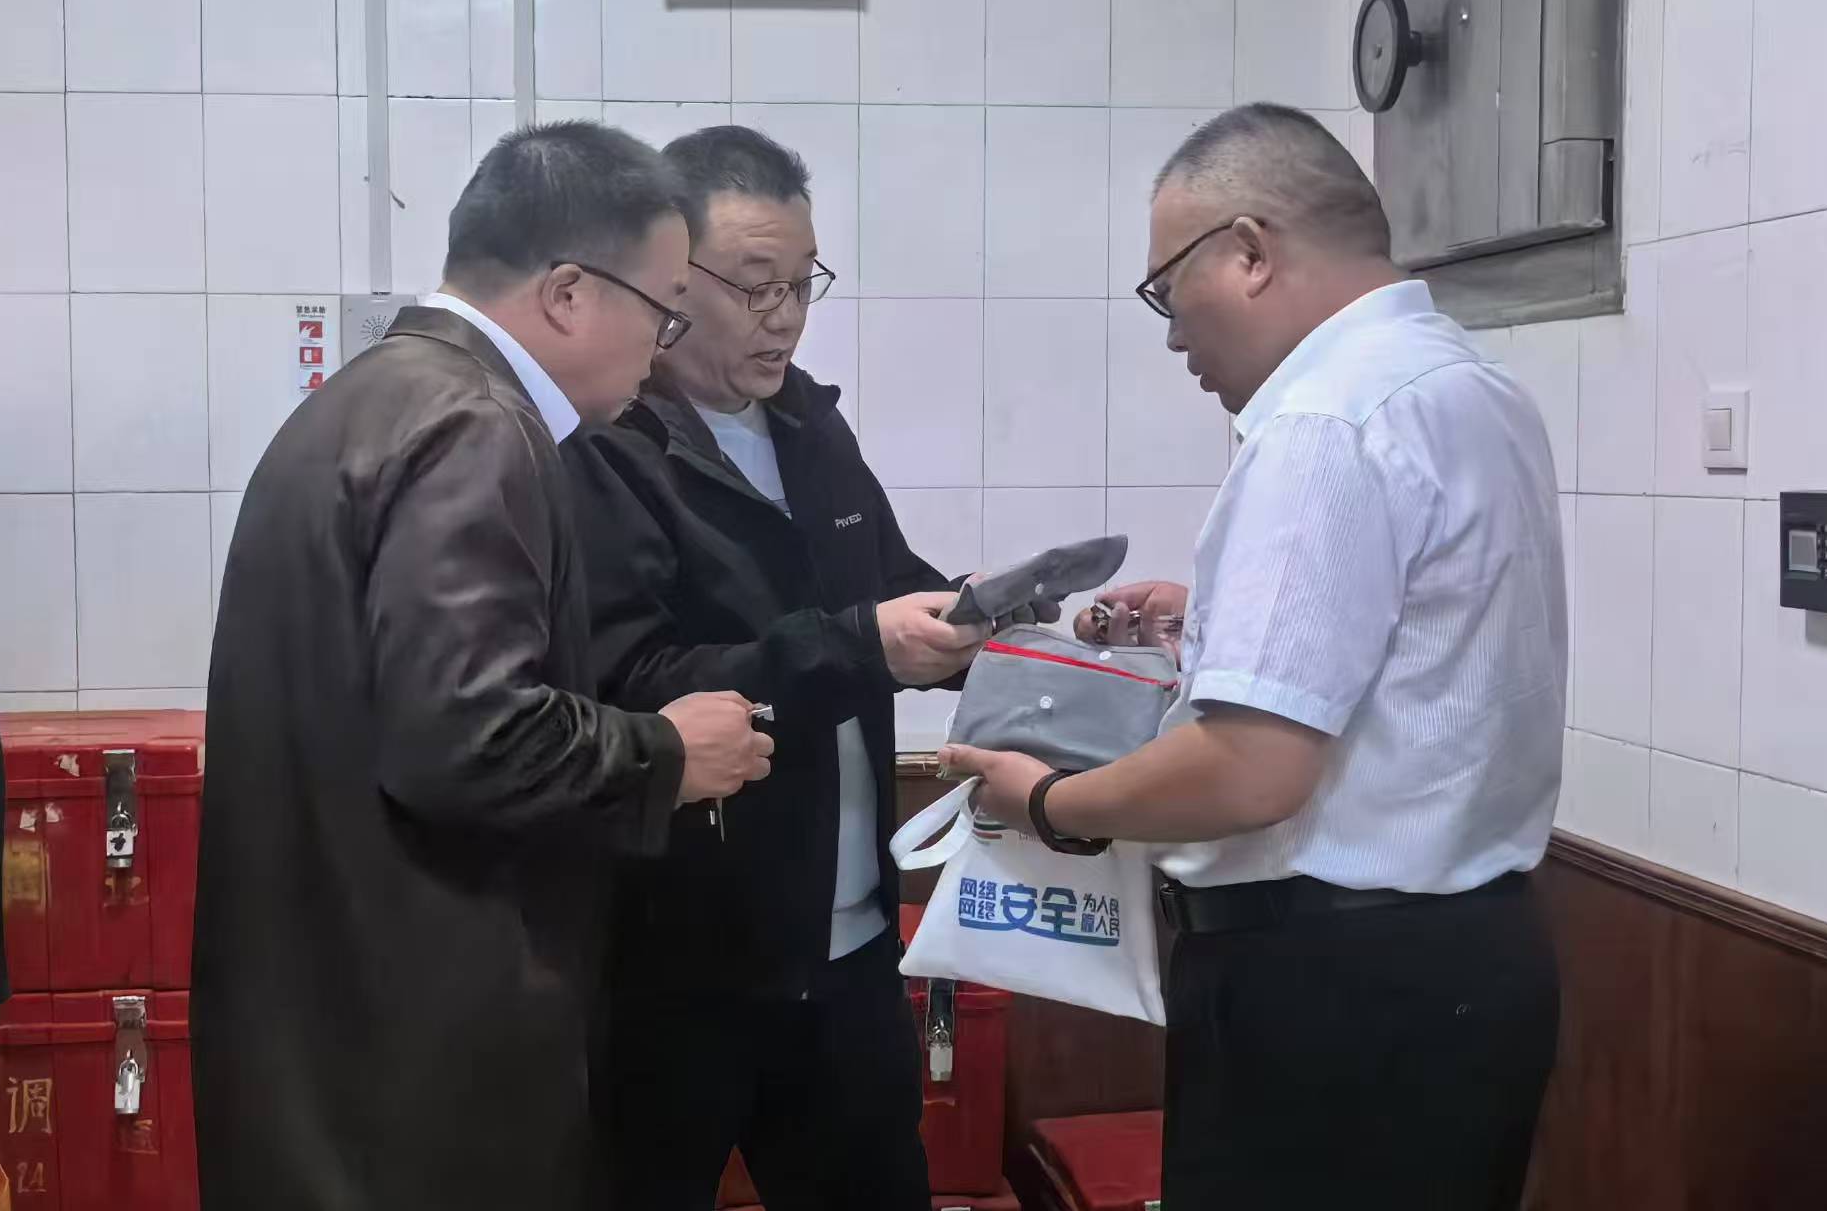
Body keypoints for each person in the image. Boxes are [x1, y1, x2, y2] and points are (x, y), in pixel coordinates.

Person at [942, 103, 1568, 1210]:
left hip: (1329, 992)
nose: (1172, 336)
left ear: (1246, 250)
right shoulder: (1469, 388)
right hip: (1471, 962)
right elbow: (1427, 642)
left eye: (1165, 288)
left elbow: (1247, 771)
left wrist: (1045, 802)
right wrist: (1219, 624)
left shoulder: (1321, 422)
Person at [194, 121, 777, 1210]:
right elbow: (465, 735)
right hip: (422, 1060)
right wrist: (664, 750)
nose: (662, 350)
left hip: (329, 1030)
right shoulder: (476, 426)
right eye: (662, 311)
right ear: (567, 293)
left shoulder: (365, 400)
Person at [565, 126, 987, 1211]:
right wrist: (857, 641)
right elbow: (630, 682)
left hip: (847, 950)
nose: (786, 316)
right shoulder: (611, 448)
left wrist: (982, 620)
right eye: (755, 286)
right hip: (674, 969)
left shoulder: (810, 427)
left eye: (803, 283)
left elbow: (888, 587)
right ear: (672, 278)